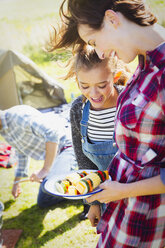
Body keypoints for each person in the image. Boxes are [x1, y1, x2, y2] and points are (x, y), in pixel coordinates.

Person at [50, 0, 165, 247]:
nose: (99, 53)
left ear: (112, 19)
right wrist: (99, 199)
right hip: (119, 210)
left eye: (93, 42)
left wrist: (123, 191)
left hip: (144, 222)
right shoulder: (144, 65)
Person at [69, 46, 131, 220]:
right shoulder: (78, 110)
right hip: (105, 197)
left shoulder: (130, 102)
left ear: (115, 77)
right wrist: (93, 204)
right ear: (77, 80)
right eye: (85, 86)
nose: (94, 93)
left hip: (140, 193)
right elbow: (84, 161)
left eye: (102, 85)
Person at [0, 104, 77, 207]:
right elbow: (21, 153)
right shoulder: (3, 129)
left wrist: (45, 170)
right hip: (57, 156)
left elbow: (52, 133)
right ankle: (67, 175)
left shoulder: (18, 116)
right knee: (44, 200)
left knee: (46, 195)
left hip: (68, 146)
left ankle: (80, 178)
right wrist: (16, 182)